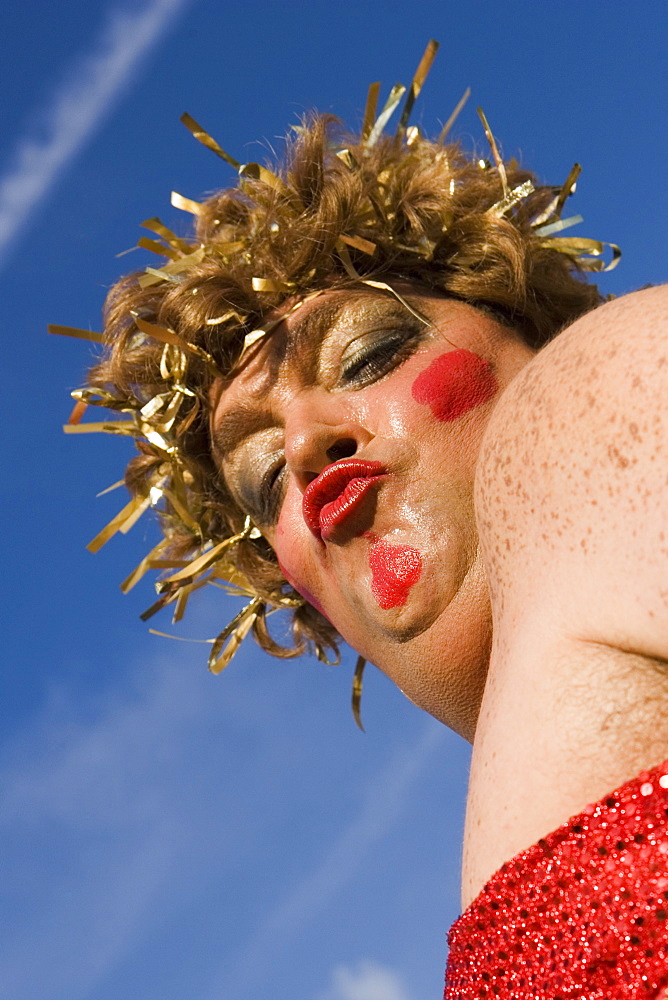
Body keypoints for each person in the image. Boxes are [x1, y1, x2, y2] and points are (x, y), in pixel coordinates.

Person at [54, 43, 668, 999]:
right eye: (262, 482)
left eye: (368, 354)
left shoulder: (595, 398)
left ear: (535, 336)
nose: (302, 450)